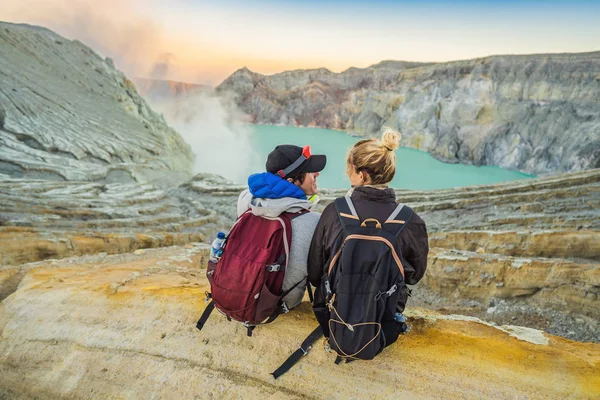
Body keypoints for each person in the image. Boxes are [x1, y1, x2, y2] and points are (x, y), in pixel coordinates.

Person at [307, 128, 428, 352]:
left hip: (333, 317)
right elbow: (414, 276)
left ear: (361, 175)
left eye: (349, 168)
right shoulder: (410, 220)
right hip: (383, 323)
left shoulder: (334, 211)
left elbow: (315, 273)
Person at [237, 144, 327, 309]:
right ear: (292, 181)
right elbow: (317, 276)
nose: (317, 173)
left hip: (240, 292)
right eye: (310, 171)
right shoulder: (313, 221)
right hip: (280, 304)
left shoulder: (246, 200)